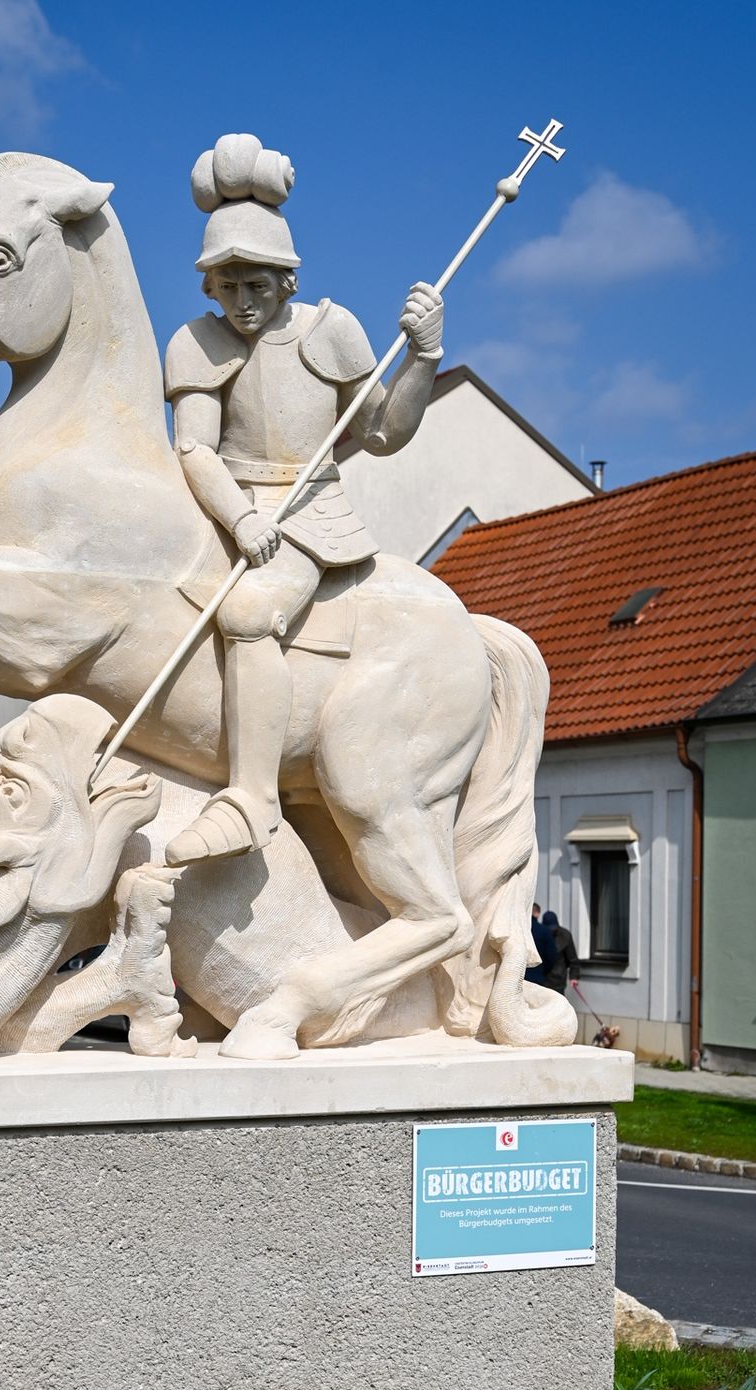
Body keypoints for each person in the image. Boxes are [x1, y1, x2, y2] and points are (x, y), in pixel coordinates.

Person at [163, 133, 444, 866]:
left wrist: (424, 358)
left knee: (251, 611)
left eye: (256, 285)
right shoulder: (196, 341)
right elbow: (193, 447)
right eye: (228, 287)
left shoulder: (332, 330)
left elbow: (381, 432)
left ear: (286, 280)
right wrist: (239, 514)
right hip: (222, 505)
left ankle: (252, 797)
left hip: (309, 514)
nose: (243, 302)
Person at [540, 910, 580, 995]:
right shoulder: (539, 935)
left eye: (554, 928)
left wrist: (574, 976)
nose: (552, 931)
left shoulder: (565, 935)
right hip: (541, 980)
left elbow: (573, 959)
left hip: (558, 981)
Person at [526, 902, 556, 984]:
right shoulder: (545, 931)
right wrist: (544, 971)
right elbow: (551, 956)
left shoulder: (519, 930)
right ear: (538, 913)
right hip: (538, 975)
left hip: (520, 976)